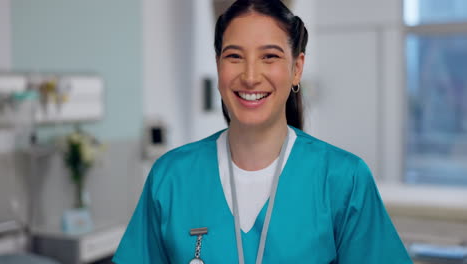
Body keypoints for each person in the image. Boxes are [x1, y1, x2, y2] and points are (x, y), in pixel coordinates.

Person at [113, 0, 413, 263]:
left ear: (296, 68)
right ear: (218, 67)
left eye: (269, 56)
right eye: (234, 56)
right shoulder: (171, 177)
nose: (251, 76)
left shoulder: (342, 179)